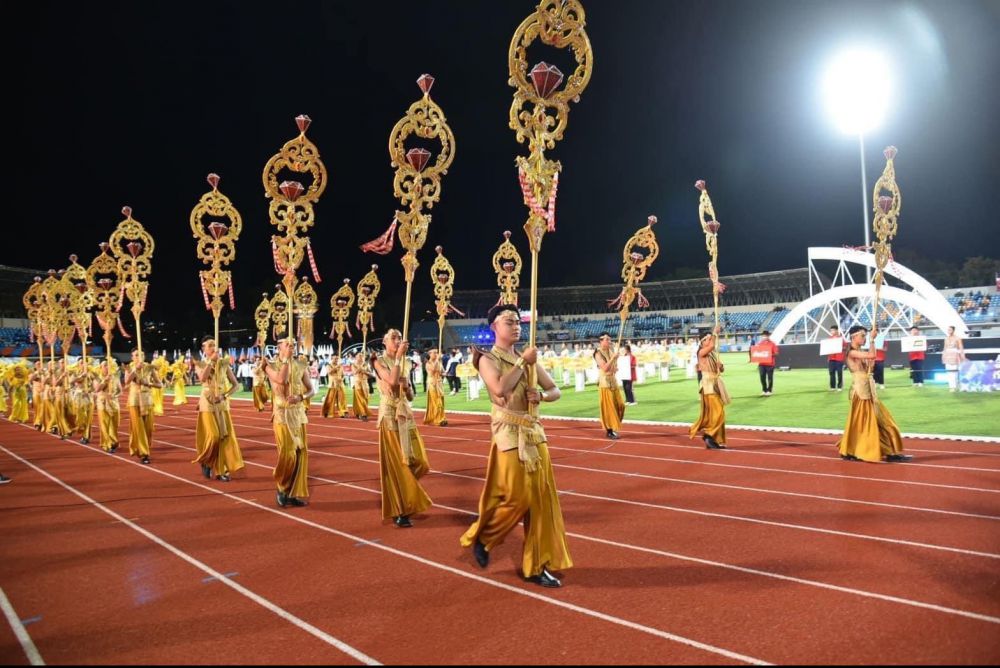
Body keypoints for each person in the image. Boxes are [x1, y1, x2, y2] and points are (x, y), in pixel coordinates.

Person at [460, 304, 572, 588]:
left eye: (518, 321)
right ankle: (485, 537)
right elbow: (500, 388)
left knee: (541, 503)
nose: (516, 326)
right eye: (509, 321)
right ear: (494, 327)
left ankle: (536, 565)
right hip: (509, 432)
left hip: (534, 432)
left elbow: (555, 390)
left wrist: (541, 397)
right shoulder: (487, 359)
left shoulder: (529, 358)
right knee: (518, 497)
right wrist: (523, 362)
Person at [372, 329, 432, 528]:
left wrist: (407, 388)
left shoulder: (406, 362)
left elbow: (411, 396)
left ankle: (405, 492)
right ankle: (402, 509)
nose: (397, 340)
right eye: (393, 338)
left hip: (406, 414)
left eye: (399, 337)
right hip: (390, 415)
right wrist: (398, 357)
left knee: (421, 462)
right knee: (399, 465)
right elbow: (390, 381)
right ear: (384, 341)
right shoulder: (377, 361)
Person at [836, 326, 910, 463]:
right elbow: (872, 355)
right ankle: (857, 450)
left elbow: (871, 363)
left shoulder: (859, 351)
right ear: (853, 337)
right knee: (866, 424)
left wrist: (871, 362)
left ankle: (889, 451)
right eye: (862, 336)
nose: (864, 338)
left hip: (868, 390)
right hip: (861, 393)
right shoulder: (851, 352)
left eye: (865, 336)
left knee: (882, 421)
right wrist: (872, 340)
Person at [261, 338, 314, 507]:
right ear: (279, 347)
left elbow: (311, 390)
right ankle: (282, 487)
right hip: (282, 414)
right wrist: (285, 360)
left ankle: (292, 493)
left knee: (300, 454)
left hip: (298, 414)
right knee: (288, 454)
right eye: (288, 344)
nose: (292, 346)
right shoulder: (269, 365)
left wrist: (301, 397)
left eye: (293, 344)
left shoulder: (301, 365)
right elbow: (281, 380)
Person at [193, 336, 245, 482]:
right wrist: (211, 361)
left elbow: (236, 385)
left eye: (214, 345)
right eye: (209, 345)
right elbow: (202, 378)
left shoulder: (224, 364)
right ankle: (206, 460)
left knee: (224, 437)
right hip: (207, 403)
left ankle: (222, 470)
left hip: (221, 403)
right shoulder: (200, 363)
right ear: (204, 349)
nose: (213, 347)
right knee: (213, 436)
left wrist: (224, 395)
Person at [689, 326, 729, 450]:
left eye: (710, 338)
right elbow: (712, 345)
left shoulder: (712, 353)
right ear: (702, 342)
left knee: (715, 414)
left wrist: (720, 367)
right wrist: (715, 333)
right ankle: (709, 435)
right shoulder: (701, 352)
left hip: (715, 384)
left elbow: (721, 370)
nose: (710, 340)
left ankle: (714, 440)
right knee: (719, 413)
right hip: (708, 386)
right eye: (708, 339)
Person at [124, 348, 161, 464]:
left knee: (148, 429)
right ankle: (144, 454)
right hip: (135, 401)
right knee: (139, 428)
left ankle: (144, 448)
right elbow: (126, 381)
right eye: (136, 355)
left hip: (148, 401)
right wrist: (136, 369)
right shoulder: (130, 368)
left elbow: (160, 384)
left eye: (141, 355)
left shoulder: (149, 368)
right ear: (132, 357)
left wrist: (148, 383)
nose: (139, 357)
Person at [593, 333, 624, 439]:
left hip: (613, 381)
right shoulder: (597, 353)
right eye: (607, 339)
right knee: (609, 408)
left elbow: (613, 367)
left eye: (609, 339)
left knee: (620, 405)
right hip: (605, 383)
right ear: (601, 341)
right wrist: (613, 358)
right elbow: (605, 368)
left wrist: (616, 359)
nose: (609, 341)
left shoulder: (611, 350)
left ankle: (614, 424)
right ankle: (609, 430)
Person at [93, 359, 121, 453]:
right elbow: (97, 389)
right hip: (102, 403)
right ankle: (107, 444)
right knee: (104, 424)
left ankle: (113, 441)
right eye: (104, 365)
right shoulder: (97, 378)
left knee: (114, 424)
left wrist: (114, 395)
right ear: (100, 367)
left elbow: (120, 391)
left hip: (114, 403)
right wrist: (105, 381)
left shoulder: (115, 377)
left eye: (108, 365)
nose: (107, 367)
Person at [423, 348, 448, 426]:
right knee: (436, 402)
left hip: (439, 384)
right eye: (434, 353)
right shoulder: (428, 363)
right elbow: (432, 371)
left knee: (441, 401)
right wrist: (437, 360)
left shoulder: (439, 363)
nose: (436, 354)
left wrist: (445, 374)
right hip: (432, 384)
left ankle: (441, 418)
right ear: (430, 354)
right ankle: (437, 419)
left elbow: (443, 372)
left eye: (437, 353)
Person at [750, 330, 779, 396]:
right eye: (763, 336)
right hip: (761, 364)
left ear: (768, 336)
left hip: (770, 364)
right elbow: (757, 352)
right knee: (762, 377)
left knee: (770, 378)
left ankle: (769, 390)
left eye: (765, 336)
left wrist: (769, 354)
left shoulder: (772, 344)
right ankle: (764, 390)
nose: (764, 337)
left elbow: (776, 353)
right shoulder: (760, 343)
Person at [942, 325, 965, 392]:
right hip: (947, 355)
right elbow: (945, 347)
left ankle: (955, 386)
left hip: (955, 355)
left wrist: (962, 355)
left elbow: (961, 347)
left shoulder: (957, 338)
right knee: (948, 371)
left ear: (953, 330)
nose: (949, 331)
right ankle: (951, 386)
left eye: (950, 330)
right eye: (948, 330)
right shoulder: (946, 338)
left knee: (954, 371)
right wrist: (943, 355)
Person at [351, 352, 373, 420]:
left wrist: (365, 371)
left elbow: (371, 374)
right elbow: (354, 373)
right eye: (359, 356)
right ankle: (363, 413)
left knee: (365, 398)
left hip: (365, 383)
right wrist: (360, 368)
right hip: (357, 383)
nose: (361, 357)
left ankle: (360, 412)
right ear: (356, 357)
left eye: (362, 356)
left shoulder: (365, 364)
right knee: (360, 399)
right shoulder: (353, 365)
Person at [827, 326, 845, 392]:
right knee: (831, 373)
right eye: (831, 330)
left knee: (839, 373)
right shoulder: (829, 339)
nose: (832, 332)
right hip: (831, 358)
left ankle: (839, 387)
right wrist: (828, 357)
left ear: (837, 330)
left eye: (833, 330)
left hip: (839, 359)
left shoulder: (841, 339)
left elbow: (845, 347)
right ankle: (832, 387)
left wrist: (840, 348)